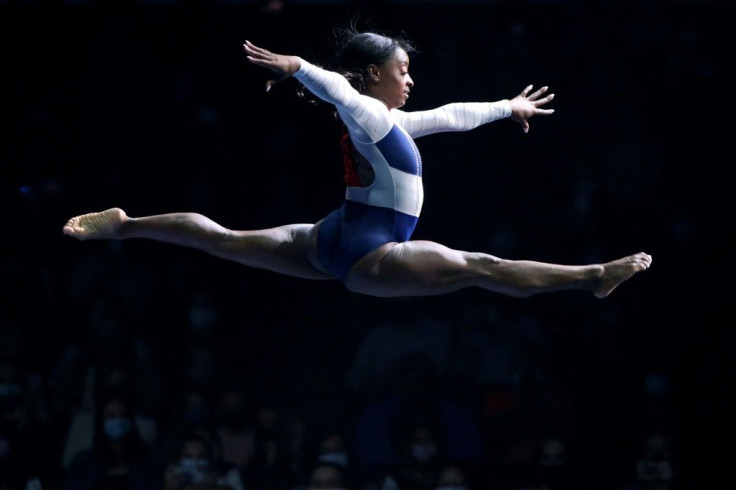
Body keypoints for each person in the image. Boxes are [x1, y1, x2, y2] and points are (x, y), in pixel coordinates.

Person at [62, 28, 652, 299]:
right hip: (372, 254)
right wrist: (298, 66)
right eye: (401, 71)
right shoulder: (366, 111)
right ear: (374, 75)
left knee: (224, 239)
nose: (409, 79)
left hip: (331, 237)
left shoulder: (390, 124)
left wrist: (508, 106)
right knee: (481, 266)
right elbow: (339, 92)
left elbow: (453, 115)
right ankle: (596, 277)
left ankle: (126, 224)